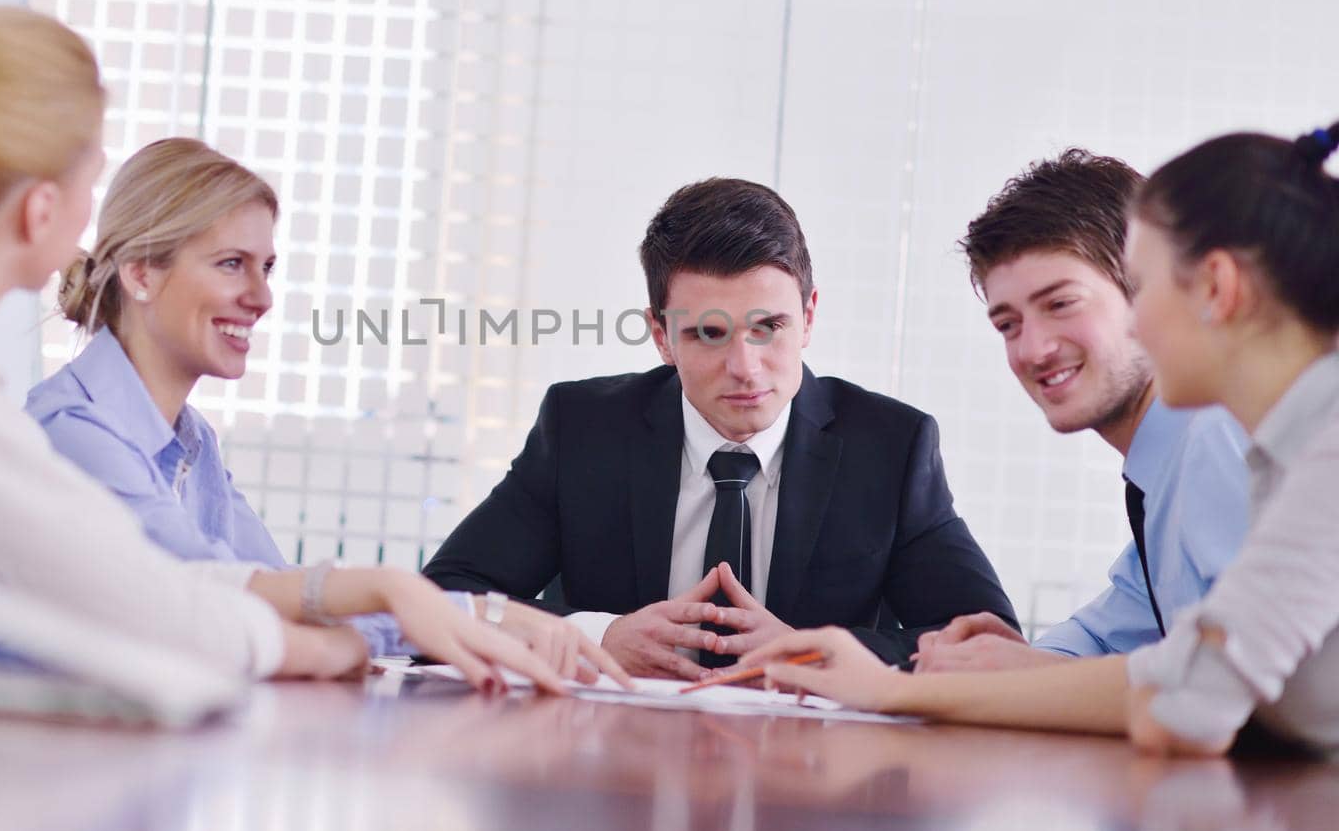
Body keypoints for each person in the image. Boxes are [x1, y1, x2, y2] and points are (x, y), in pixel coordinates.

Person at [0, 7, 565, 697]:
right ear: (37, 211)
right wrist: (304, 645)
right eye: (91, 179)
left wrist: (380, 600)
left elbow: (149, 576)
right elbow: (124, 588)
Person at [743, 122, 1339, 757]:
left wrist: (896, 690)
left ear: (1215, 289)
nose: (1032, 349)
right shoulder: (1253, 455)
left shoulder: (1247, 449)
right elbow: (1135, 641)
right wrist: (993, 664)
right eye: (1008, 324)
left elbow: (1192, 701)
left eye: (1143, 286)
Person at [27, 137, 629, 687]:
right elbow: (212, 605)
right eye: (231, 264)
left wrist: (459, 615)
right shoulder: (75, 431)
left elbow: (287, 599)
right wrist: (415, 607)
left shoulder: (191, 441)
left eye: (266, 269)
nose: (262, 298)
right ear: (140, 274)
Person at [424, 177, 1017, 680]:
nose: (745, 367)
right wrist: (598, 637)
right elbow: (442, 601)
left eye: (769, 327)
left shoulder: (890, 448)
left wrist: (811, 654)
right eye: (708, 334)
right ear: (661, 336)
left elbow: (985, 645)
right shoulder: (583, 429)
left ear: (808, 318)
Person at [912, 150, 1248, 672]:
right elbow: (1110, 633)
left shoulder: (1217, 438)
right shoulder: (1163, 472)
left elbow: (1233, 681)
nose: (1032, 350)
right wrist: (1009, 660)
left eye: (1060, 303)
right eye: (1008, 324)